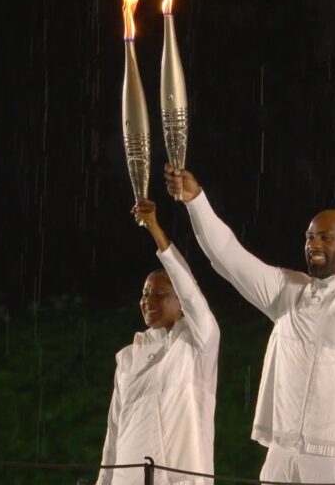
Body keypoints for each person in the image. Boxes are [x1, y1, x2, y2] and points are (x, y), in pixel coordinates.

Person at [164, 164, 335, 483]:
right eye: (309, 237)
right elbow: (226, 255)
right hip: (279, 458)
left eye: (325, 238)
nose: (314, 245)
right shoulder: (287, 291)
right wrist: (195, 200)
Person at [97, 199, 220, 485]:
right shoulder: (126, 358)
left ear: (180, 303)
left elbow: (192, 291)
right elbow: (114, 431)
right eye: (145, 293)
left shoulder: (198, 344)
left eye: (161, 294)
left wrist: (155, 229)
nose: (149, 301)